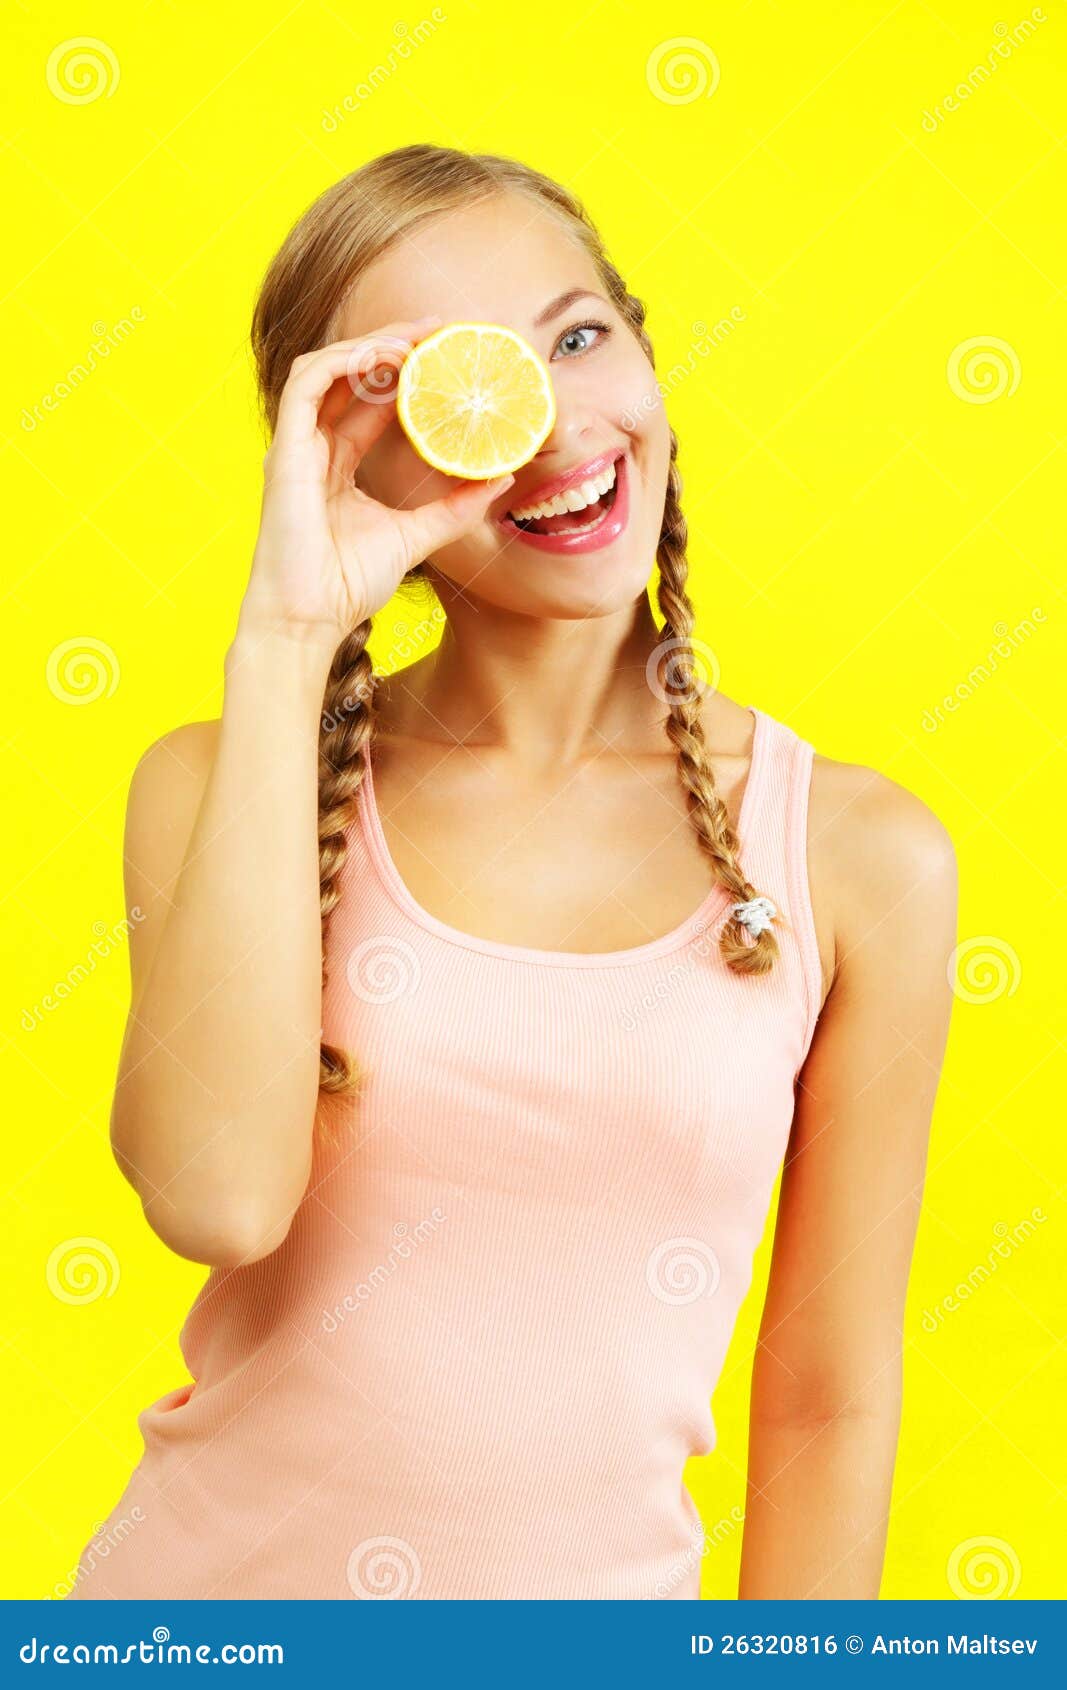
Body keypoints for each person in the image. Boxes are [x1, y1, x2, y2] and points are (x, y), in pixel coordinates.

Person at [66, 144, 956, 1601]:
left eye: (577, 335)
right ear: (354, 459)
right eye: (465, 384)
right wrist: (286, 641)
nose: (547, 424)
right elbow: (218, 1199)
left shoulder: (860, 858)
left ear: (646, 350)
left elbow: (827, 1398)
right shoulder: (221, 786)